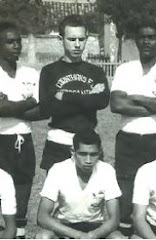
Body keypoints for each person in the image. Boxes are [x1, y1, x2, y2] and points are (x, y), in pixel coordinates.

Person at [110, 19, 156, 236]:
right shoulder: (125, 69)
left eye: (152, 37)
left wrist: (135, 97)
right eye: (142, 37)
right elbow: (116, 104)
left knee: (155, 193)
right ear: (136, 40)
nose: (147, 42)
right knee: (126, 194)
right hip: (128, 139)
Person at [0, 21, 42, 239]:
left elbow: (42, 111)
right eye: (10, 42)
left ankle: (20, 234)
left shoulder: (31, 74)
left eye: (18, 41)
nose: (16, 46)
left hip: (24, 141)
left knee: (21, 197)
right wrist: (27, 102)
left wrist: (10, 106)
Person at [38, 14, 110, 171]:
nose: (77, 45)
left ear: (86, 38)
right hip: (59, 141)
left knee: (91, 193)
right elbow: (48, 108)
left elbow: (103, 101)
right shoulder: (49, 71)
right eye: (71, 40)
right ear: (60, 39)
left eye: (81, 39)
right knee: (56, 194)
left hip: (89, 143)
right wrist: (89, 97)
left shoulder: (95, 71)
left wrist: (65, 96)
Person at [36, 131, 122, 239]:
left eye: (93, 154)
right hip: (64, 227)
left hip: (95, 227)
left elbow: (114, 219)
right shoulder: (58, 170)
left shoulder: (107, 171)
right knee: (43, 237)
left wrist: (92, 235)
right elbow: (42, 217)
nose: (88, 160)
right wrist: (78, 235)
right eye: (83, 154)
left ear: (100, 152)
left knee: (118, 238)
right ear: (73, 151)